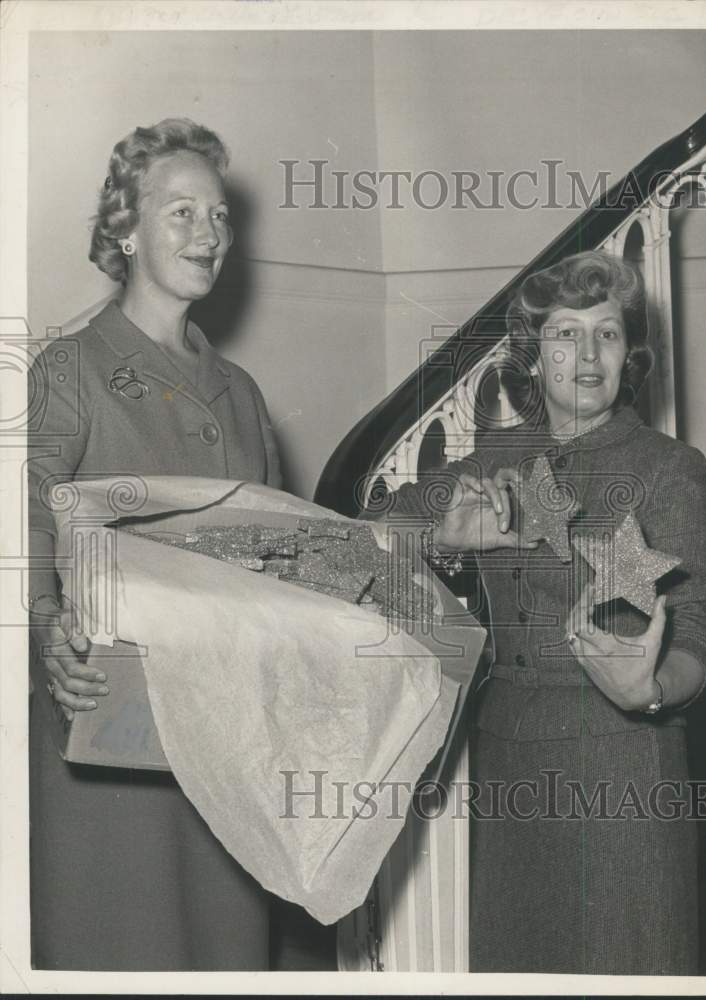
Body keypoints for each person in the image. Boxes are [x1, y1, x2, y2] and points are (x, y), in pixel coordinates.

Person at [377, 251, 706, 974]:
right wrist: (442, 541)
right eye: (564, 334)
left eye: (607, 333)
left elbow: (697, 628)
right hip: (506, 766)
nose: (587, 354)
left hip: (622, 764)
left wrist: (654, 688)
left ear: (629, 354)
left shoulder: (670, 468)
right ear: (532, 359)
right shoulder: (493, 457)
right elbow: (373, 527)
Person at [27, 119, 280, 970]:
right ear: (125, 229)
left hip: (224, 740)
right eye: (180, 213)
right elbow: (26, 515)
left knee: (228, 956)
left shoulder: (241, 393)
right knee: (124, 949)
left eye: (217, 216)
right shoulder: (71, 368)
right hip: (109, 733)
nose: (207, 234)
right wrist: (43, 623)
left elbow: (279, 555)